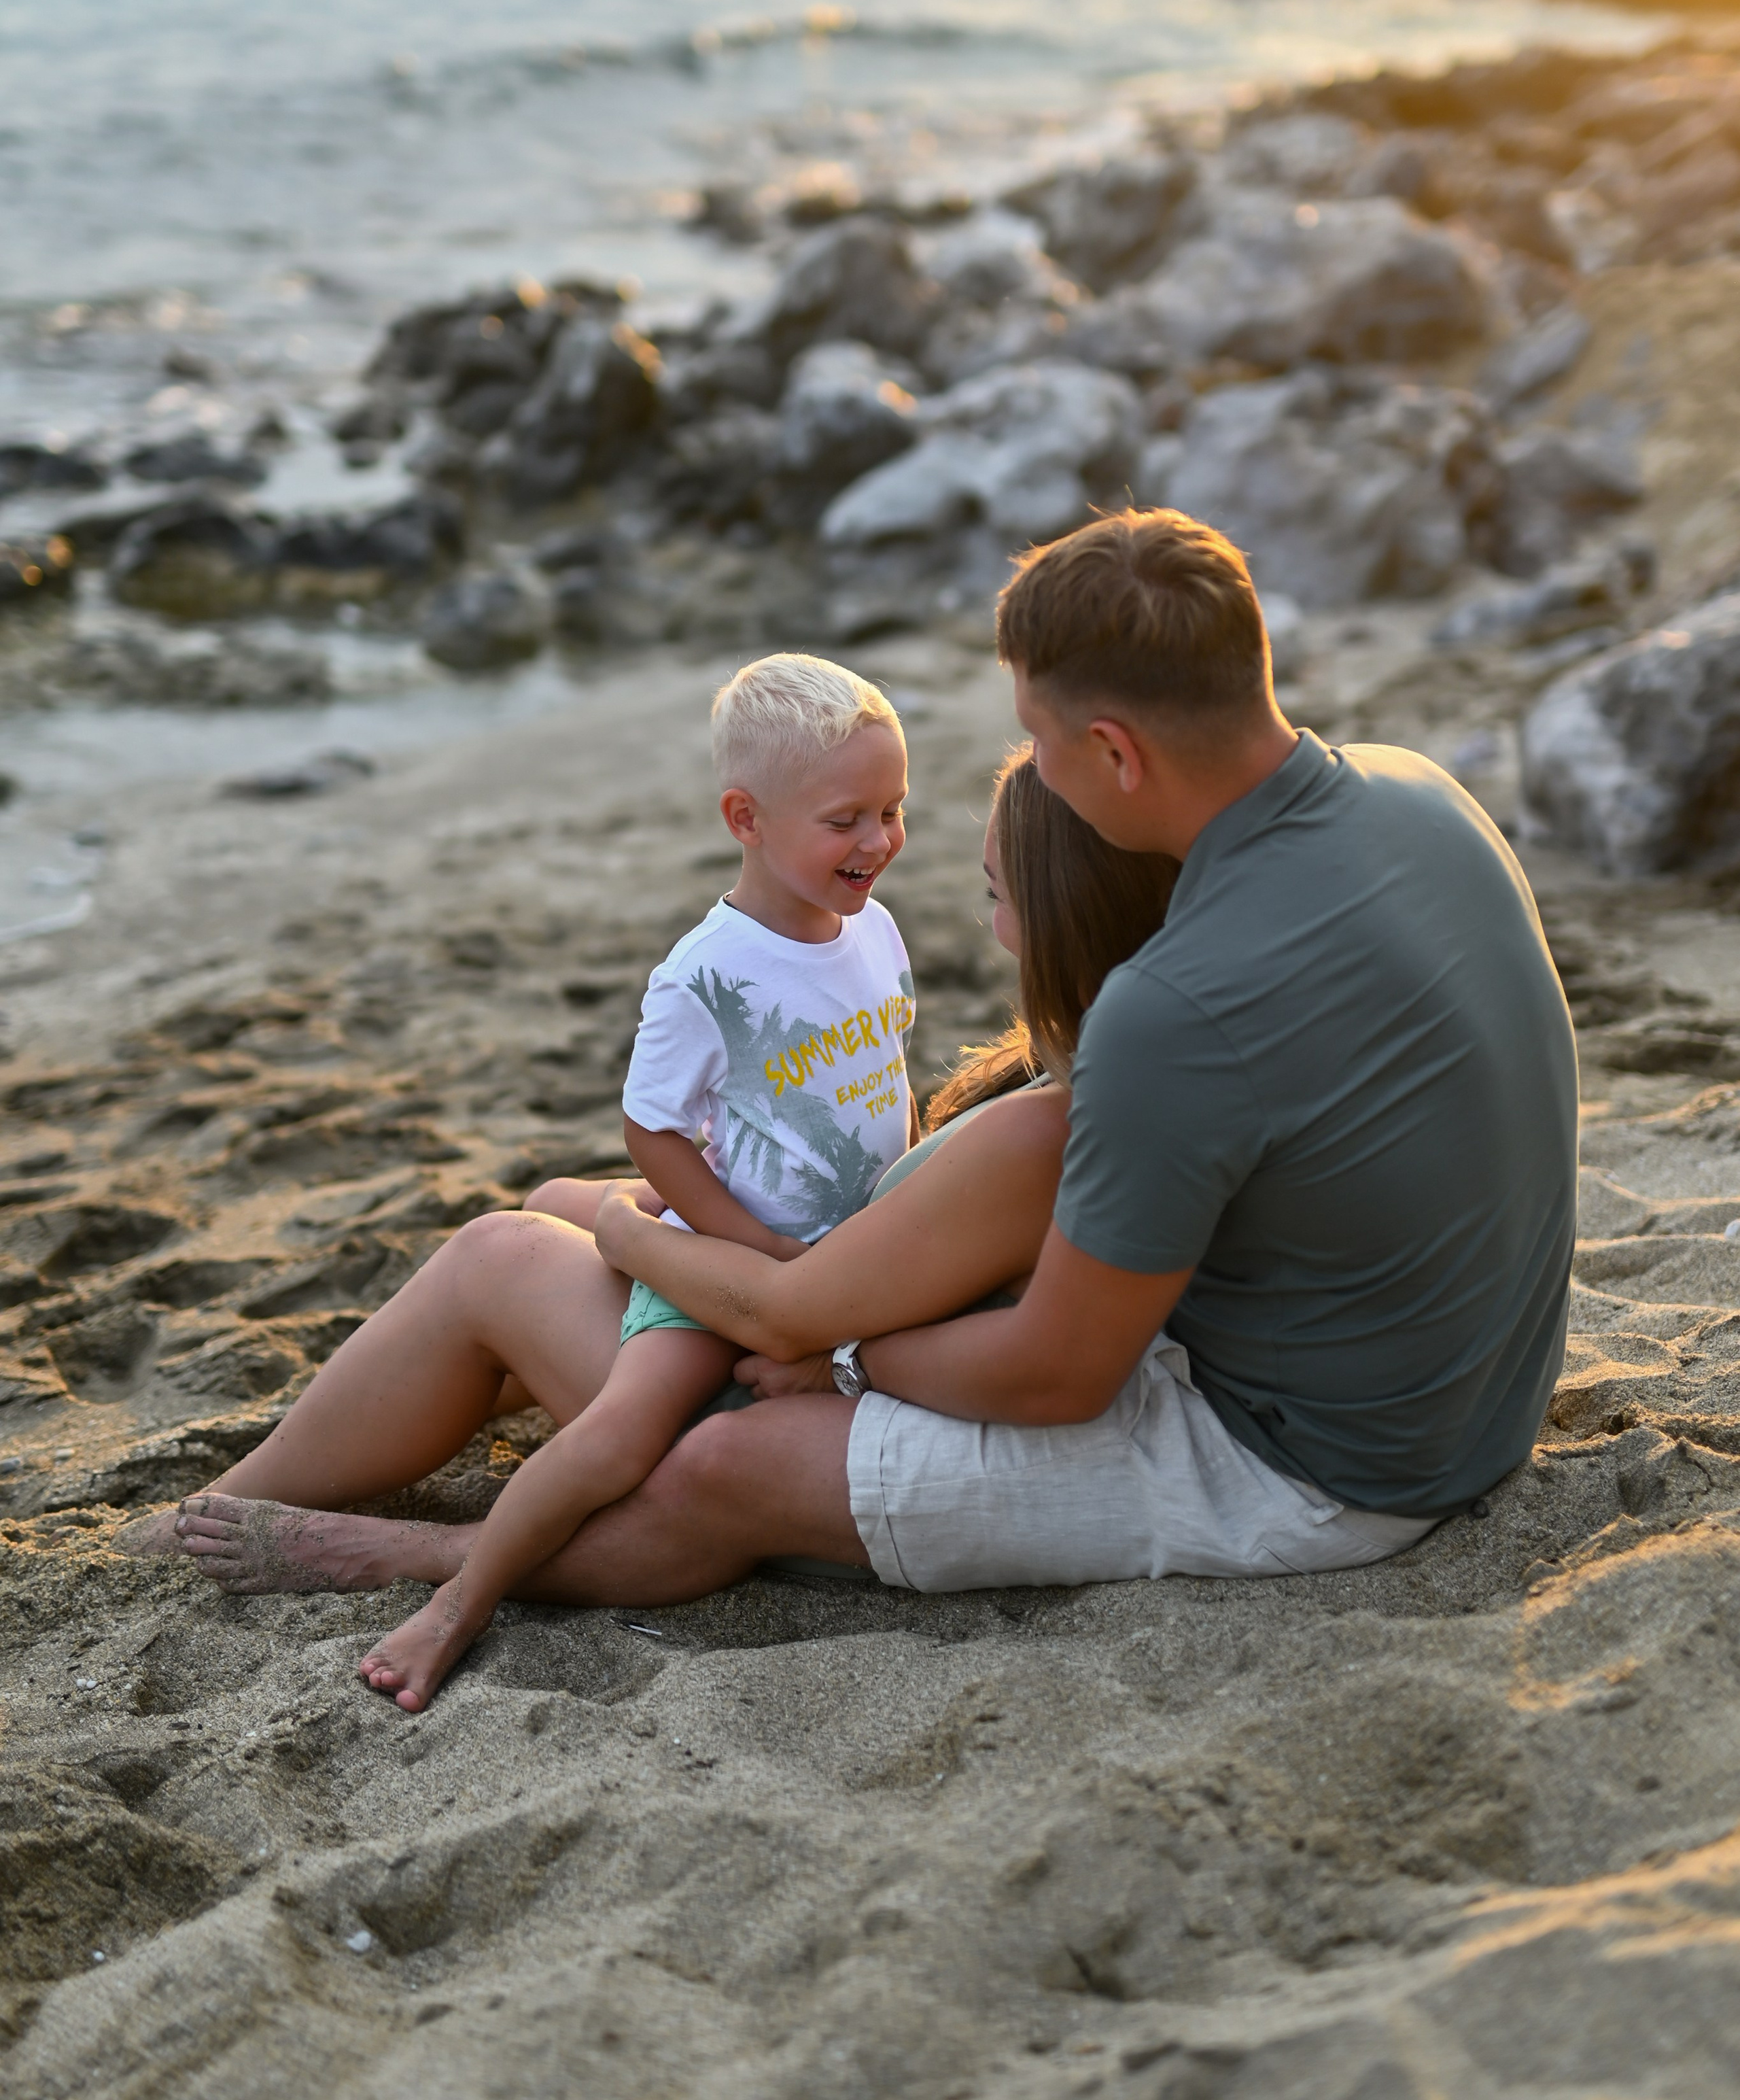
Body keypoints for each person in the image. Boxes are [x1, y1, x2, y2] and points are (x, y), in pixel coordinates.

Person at [169, 507, 1578, 1623]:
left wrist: (842, 1356)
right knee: (599, 1263)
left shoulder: (1172, 1013)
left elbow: (1053, 1378)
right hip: (1464, 1385)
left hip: (1317, 1465)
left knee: (721, 1454)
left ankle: (402, 1553)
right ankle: (321, 1475)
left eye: (1034, 738)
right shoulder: (1415, 793)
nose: (1026, 771)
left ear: (1111, 748)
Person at [155, 740, 1174, 1623]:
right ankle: (411, 1421)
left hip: (801, 1393)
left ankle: (217, 1513)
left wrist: (631, 1228)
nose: (987, 918)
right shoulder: (1103, 1061)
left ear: (1061, 912)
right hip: (848, 1323)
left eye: (997, 893)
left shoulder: (1044, 1131)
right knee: (551, 1199)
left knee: (497, 1256)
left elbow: (805, 1315)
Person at [249, 650, 916, 1712]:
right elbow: (652, 1131)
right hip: (730, 1260)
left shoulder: (873, 930)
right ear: (746, 816)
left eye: (893, 809)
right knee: (617, 1431)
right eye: (847, 818)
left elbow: (878, 1089)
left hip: (832, 1251)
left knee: (553, 1211)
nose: (878, 841)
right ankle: (462, 1597)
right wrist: (742, 1249)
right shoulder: (707, 971)